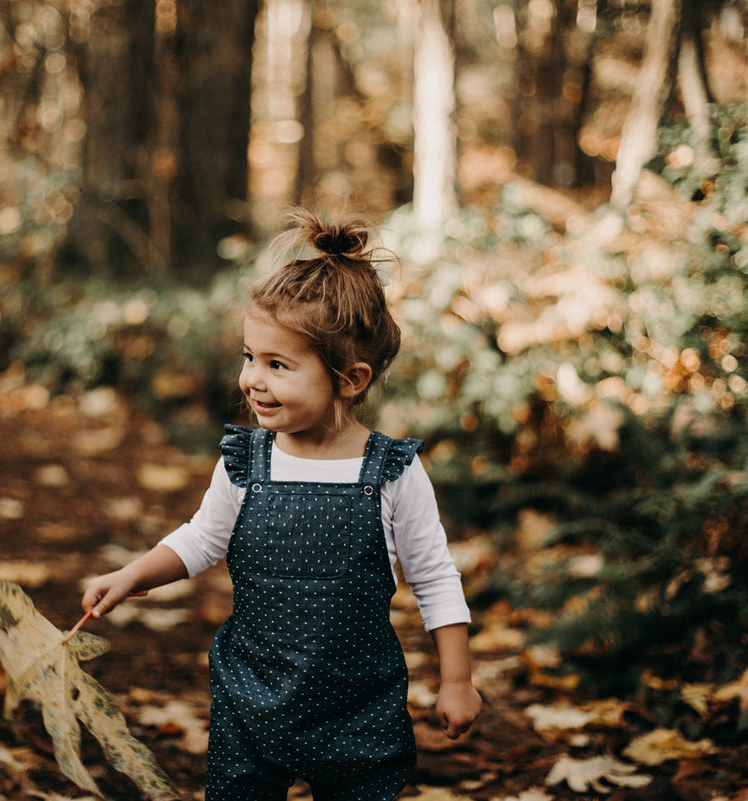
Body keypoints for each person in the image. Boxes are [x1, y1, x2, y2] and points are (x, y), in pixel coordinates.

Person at [81, 209, 481, 800]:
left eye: (277, 365)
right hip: (254, 694)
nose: (252, 380)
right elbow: (201, 539)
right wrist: (133, 574)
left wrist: (457, 680)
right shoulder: (247, 462)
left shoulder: (393, 473)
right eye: (249, 357)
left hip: (358, 702)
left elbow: (435, 579)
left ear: (350, 379)